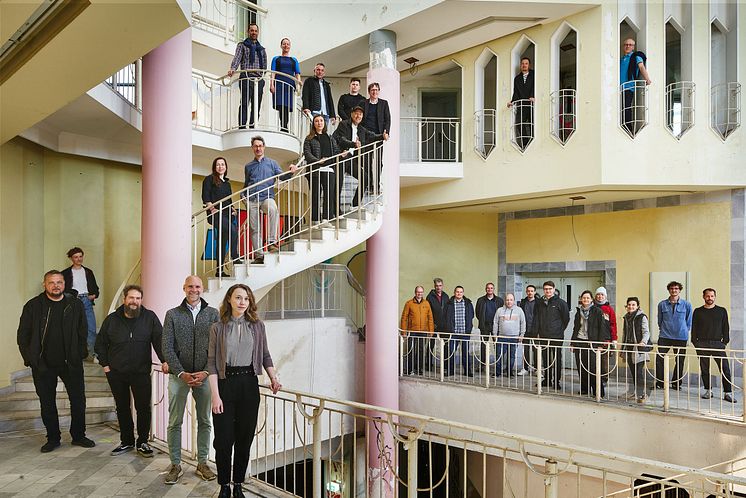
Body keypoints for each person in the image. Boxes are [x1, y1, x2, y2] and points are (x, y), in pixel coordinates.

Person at [208, 284, 282, 498]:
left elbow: (265, 355)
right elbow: (211, 363)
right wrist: (215, 395)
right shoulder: (217, 327)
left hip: (249, 385)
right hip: (224, 384)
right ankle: (224, 485)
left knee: (244, 438)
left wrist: (273, 377)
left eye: (246, 299)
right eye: (238, 297)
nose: (242, 302)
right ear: (229, 299)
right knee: (223, 440)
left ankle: (238, 483)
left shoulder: (257, 326)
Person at [17, 270, 94, 453]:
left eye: (59, 282)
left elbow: (83, 330)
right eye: (51, 282)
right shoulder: (33, 306)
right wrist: (31, 359)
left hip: (71, 362)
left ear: (64, 284)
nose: (56, 286)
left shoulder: (74, 304)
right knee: (47, 402)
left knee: (78, 400)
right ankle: (53, 438)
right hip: (43, 364)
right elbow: (23, 335)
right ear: (45, 284)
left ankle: (78, 435)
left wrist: (81, 353)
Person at [162, 276, 219, 484]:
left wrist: (205, 372)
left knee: (205, 421)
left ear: (202, 289)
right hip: (179, 376)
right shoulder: (173, 314)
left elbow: (217, 346)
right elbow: (167, 347)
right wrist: (181, 373)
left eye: (197, 286)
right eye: (190, 286)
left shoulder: (213, 314)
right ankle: (175, 464)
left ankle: (202, 463)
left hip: (204, 376)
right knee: (175, 421)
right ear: (184, 288)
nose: (193, 290)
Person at [95, 285, 164, 457]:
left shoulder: (149, 318)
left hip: (141, 372)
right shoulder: (112, 319)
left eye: (138, 298)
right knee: (122, 407)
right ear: (124, 299)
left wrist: (165, 361)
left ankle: (142, 442)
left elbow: (159, 340)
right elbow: (100, 344)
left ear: (141, 300)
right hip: (116, 373)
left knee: (143, 408)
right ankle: (126, 441)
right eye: (131, 298)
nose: (135, 302)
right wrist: (106, 366)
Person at [243, 136, 298, 264]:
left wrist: (291, 172)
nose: (258, 148)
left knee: (273, 208)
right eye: (256, 146)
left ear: (264, 147)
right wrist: (243, 197)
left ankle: (272, 241)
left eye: (260, 146)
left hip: (267, 197)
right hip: (252, 199)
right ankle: (259, 255)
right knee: (254, 228)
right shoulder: (248, 166)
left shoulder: (272, 163)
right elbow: (246, 184)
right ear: (252, 148)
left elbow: (282, 177)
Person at [332, 105, 388, 207]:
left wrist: (382, 136)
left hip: (351, 159)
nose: (358, 116)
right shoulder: (343, 124)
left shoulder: (361, 129)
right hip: (341, 157)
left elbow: (372, 136)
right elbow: (341, 139)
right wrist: (353, 144)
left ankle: (355, 205)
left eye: (360, 114)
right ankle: (336, 210)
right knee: (338, 184)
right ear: (352, 114)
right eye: (356, 113)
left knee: (365, 178)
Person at [692, 288, 735, 403]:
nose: (710, 298)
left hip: (717, 344)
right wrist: (695, 343)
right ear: (703, 297)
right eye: (707, 296)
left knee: (725, 369)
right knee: (704, 369)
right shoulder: (697, 311)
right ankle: (708, 390)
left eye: (712, 296)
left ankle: (728, 393)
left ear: (715, 297)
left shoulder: (721, 311)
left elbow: (726, 327)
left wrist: (724, 342)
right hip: (702, 343)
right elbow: (694, 327)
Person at [202, 157, 243, 277]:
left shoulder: (227, 183)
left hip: (226, 214)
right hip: (215, 214)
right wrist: (211, 208)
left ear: (226, 167)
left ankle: (219, 271)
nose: (220, 167)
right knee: (233, 230)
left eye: (223, 164)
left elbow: (228, 200)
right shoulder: (209, 179)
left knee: (222, 242)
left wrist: (233, 209)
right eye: (218, 165)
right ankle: (235, 257)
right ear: (215, 167)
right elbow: (205, 197)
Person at [303, 115, 347, 223]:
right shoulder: (309, 138)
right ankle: (315, 219)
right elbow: (307, 154)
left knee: (329, 194)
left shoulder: (330, 137)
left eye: (321, 121)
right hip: (315, 170)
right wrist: (317, 161)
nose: (319, 123)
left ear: (324, 123)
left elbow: (335, 151)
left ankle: (326, 218)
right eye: (317, 121)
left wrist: (342, 154)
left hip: (329, 169)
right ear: (314, 124)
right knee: (315, 195)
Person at [62, 247, 100, 359]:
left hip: (87, 300)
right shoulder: (65, 273)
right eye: (75, 257)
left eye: (80, 256)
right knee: (73, 328)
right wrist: (72, 296)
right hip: (73, 301)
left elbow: (96, 289)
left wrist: (93, 296)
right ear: (71, 258)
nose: (79, 259)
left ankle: (93, 354)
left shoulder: (88, 272)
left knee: (91, 328)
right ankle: (76, 354)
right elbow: (63, 289)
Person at [531, 281, 570, 389]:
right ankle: (547, 380)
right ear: (543, 290)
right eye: (546, 289)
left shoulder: (561, 303)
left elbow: (566, 319)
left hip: (556, 336)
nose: (548, 291)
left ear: (554, 289)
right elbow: (536, 318)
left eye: (550, 289)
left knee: (556, 359)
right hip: (543, 335)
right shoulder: (539, 303)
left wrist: (559, 329)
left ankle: (556, 381)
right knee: (546, 359)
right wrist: (537, 333)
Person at [571, 290, 609, 397]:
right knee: (581, 367)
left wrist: (601, 344)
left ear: (592, 299)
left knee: (593, 368)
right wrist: (572, 342)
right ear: (581, 299)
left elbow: (602, 328)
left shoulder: (597, 311)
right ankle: (584, 389)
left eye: (588, 298)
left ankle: (598, 391)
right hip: (579, 341)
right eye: (584, 298)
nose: (585, 300)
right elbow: (576, 328)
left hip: (592, 343)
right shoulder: (579, 312)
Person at [228, 23, 267, 129]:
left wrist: (261, 77)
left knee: (256, 104)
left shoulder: (262, 49)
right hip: (246, 77)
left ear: (258, 33)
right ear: (248, 32)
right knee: (244, 102)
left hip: (258, 80)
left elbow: (264, 65)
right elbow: (237, 58)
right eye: (252, 30)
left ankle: (253, 125)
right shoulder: (242, 45)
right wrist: (233, 68)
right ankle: (242, 126)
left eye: (255, 31)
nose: (254, 32)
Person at [656, 281, 692, 390]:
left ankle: (676, 383)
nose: (674, 290)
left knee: (680, 360)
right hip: (664, 336)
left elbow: (689, 321)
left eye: (676, 288)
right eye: (672, 288)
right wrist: (664, 329)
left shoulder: (686, 304)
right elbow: (660, 320)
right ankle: (660, 383)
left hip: (681, 337)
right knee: (659, 359)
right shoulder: (662, 304)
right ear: (669, 290)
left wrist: (684, 330)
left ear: (679, 290)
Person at [621, 297, 654, 404]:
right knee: (633, 372)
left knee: (638, 372)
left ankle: (641, 394)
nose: (631, 306)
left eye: (633, 305)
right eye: (629, 305)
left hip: (639, 348)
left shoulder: (641, 317)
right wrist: (623, 349)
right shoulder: (626, 317)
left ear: (637, 306)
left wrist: (643, 342)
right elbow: (624, 334)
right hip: (629, 348)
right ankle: (637, 392)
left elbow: (646, 332)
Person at [620, 38, 651, 135]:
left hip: (628, 87)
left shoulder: (635, 57)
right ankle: (621, 127)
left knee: (627, 108)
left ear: (633, 47)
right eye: (626, 44)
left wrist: (647, 79)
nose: (627, 46)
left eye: (630, 45)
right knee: (620, 108)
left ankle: (628, 130)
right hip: (619, 88)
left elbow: (641, 67)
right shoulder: (621, 59)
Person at [400, 286, 434, 374]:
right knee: (411, 350)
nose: (420, 294)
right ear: (415, 293)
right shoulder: (409, 303)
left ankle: (419, 369)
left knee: (421, 350)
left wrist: (431, 331)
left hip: (423, 332)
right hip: (412, 331)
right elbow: (404, 318)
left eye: (421, 292)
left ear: (423, 293)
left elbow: (430, 318)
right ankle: (410, 369)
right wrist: (403, 332)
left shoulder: (426, 303)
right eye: (418, 292)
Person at [270, 38, 301, 132]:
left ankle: (285, 125)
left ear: (290, 46)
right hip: (279, 84)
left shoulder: (294, 60)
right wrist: (271, 84)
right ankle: (283, 125)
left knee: (287, 106)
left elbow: (297, 73)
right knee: (281, 105)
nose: (286, 46)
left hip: (289, 85)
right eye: (284, 44)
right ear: (281, 46)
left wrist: (298, 84)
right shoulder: (276, 58)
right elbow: (273, 72)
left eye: (288, 44)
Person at [444, 286, 475, 377]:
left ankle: (467, 371)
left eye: (461, 292)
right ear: (454, 293)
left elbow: (471, 315)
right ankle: (450, 371)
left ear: (463, 293)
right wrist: (449, 327)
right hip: (453, 333)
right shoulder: (449, 303)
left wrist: (469, 328)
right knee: (451, 352)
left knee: (465, 352)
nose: (459, 293)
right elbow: (445, 316)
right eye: (457, 292)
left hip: (465, 332)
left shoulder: (468, 303)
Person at [493, 293, 526, 377]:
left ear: (514, 301)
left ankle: (509, 372)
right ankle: (497, 372)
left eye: (511, 300)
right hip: (501, 337)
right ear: (505, 301)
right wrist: (494, 335)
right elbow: (495, 323)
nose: (509, 302)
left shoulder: (519, 310)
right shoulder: (499, 310)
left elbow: (523, 323)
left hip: (514, 337)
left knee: (511, 356)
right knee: (499, 356)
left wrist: (522, 334)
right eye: (507, 300)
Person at [475, 283, 504, 373]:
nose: (489, 289)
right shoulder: (480, 300)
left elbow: (502, 313)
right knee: (484, 346)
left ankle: (499, 366)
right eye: (488, 288)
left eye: (491, 288)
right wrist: (483, 321)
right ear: (486, 289)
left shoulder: (499, 300)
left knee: (498, 346)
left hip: (496, 326)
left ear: (493, 289)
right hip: (484, 326)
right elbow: (477, 313)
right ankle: (483, 365)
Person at [507, 57, 535, 149]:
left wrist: (532, 96)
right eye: (522, 63)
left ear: (529, 65)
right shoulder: (517, 78)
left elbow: (535, 86)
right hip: (521, 105)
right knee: (519, 123)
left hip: (531, 104)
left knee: (532, 123)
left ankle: (533, 141)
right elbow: (516, 92)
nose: (524, 65)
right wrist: (512, 102)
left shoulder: (534, 74)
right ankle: (526, 142)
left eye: (526, 63)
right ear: (520, 66)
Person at [594, 286, 617, 384]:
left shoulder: (609, 309)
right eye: (598, 294)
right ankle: (594, 379)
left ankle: (604, 379)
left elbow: (613, 324)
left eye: (602, 294)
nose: (600, 296)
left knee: (604, 361)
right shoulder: (592, 307)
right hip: (593, 338)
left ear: (605, 296)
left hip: (605, 339)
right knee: (593, 361)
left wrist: (614, 339)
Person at [518, 284, 537, 376]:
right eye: (528, 291)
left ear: (535, 292)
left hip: (535, 330)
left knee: (536, 350)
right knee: (525, 350)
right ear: (526, 292)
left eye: (532, 291)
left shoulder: (539, 302)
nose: (530, 292)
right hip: (525, 330)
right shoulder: (523, 302)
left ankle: (537, 369)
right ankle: (525, 368)